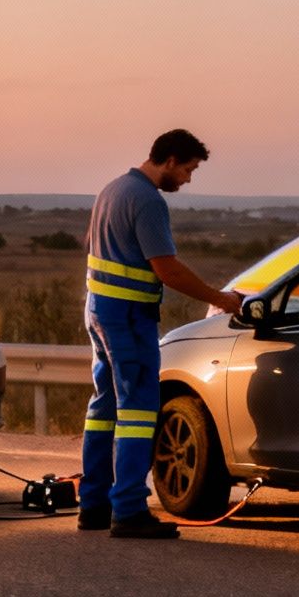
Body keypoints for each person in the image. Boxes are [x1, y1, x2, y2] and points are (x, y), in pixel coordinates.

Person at [78, 129, 245, 539]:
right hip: (129, 317)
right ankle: (129, 510)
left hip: (99, 310)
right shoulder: (148, 200)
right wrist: (220, 299)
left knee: (104, 409)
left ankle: (94, 505)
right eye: (188, 170)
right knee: (138, 411)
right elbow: (166, 268)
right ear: (170, 160)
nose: (188, 179)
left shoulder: (113, 189)